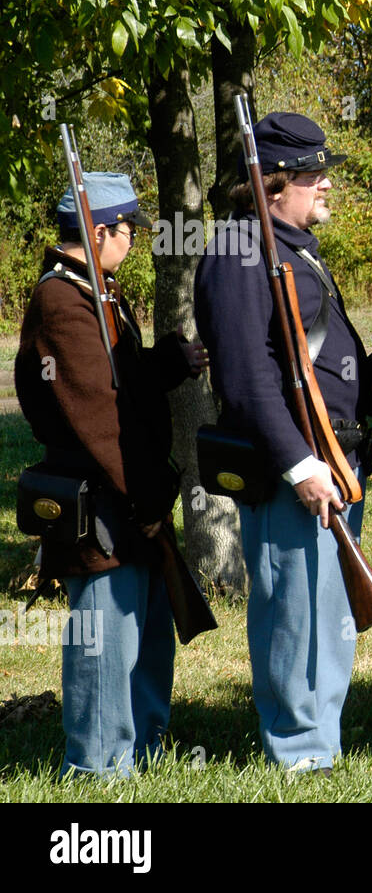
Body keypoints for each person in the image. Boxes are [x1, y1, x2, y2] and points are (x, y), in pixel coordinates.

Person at [15, 172, 207, 776]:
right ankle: (98, 765)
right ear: (98, 232)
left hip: (129, 486)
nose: (134, 240)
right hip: (101, 492)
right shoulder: (62, 300)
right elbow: (95, 409)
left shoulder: (99, 292)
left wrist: (165, 365)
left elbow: (120, 381)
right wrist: (146, 498)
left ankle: (144, 748)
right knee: (106, 640)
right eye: (127, 230)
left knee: (145, 632)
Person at [195, 112, 369, 774]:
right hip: (293, 467)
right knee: (295, 612)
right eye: (311, 174)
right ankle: (299, 750)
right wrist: (299, 464)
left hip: (334, 457)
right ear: (271, 184)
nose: (325, 184)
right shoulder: (239, 250)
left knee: (328, 613)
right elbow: (244, 375)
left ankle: (318, 737)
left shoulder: (290, 249)